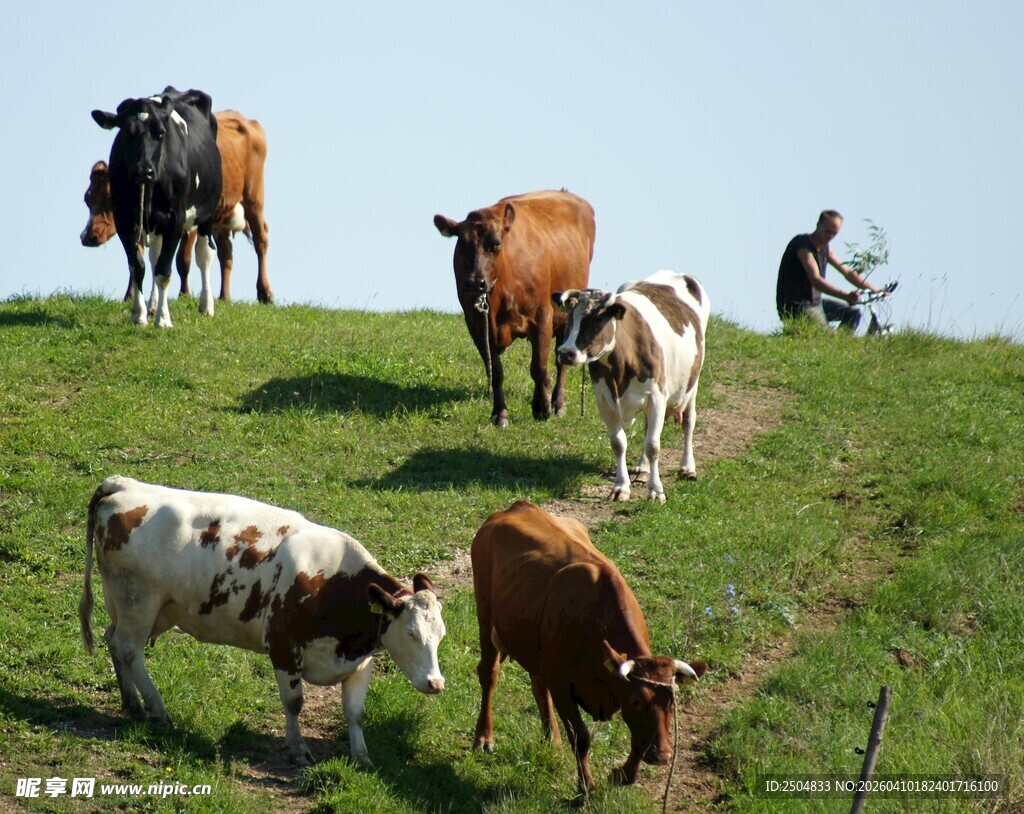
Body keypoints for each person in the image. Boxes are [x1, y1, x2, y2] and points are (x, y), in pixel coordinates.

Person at [776, 210, 881, 330]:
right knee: (826, 336)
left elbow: (846, 271)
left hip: (815, 303)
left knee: (853, 313)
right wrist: (846, 296)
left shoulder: (825, 248)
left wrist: (874, 290)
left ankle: (843, 340)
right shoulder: (803, 246)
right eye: (827, 232)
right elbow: (816, 280)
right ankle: (834, 341)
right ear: (818, 225)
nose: (830, 237)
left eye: (834, 233)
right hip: (796, 306)